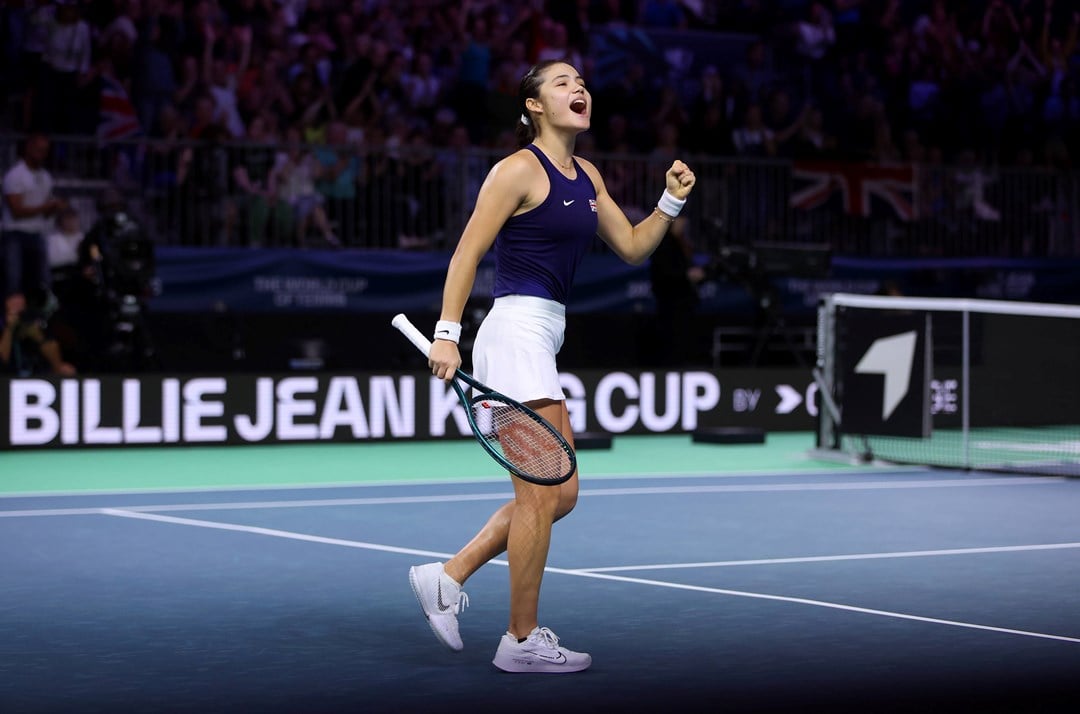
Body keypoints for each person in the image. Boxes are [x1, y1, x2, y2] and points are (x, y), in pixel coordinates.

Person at [407, 60, 696, 673]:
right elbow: (467, 251)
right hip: (513, 332)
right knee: (541, 492)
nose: (578, 89)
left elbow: (634, 247)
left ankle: (447, 576)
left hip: (544, 335)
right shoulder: (515, 170)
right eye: (562, 83)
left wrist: (670, 201)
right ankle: (520, 640)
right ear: (534, 106)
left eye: (581, 82)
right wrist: (446, 334)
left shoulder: (587, 174)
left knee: (560, 493)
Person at [2, 133, 65, 302]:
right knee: (13, 281)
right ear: (29, 148)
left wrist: (55, 208)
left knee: (43, 281)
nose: (41, 154)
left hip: (37, 233)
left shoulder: (46, 177)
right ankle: (10, 322)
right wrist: (46, 206)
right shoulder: (15, 175)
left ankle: (41, 320)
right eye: (38, 149)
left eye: (45, 150)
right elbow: (17, 212)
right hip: (15, 235)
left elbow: (44, 212)